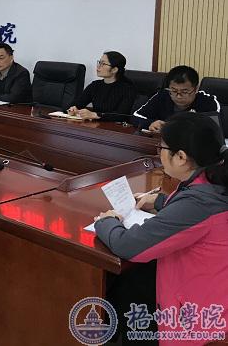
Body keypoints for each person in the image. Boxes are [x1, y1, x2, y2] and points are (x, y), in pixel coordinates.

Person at [94, 113, 228, 343]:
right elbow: (193, 215)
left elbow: (128, 246)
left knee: (129, 288)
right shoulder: (214, 180)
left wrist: (106, 222)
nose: (159, 154)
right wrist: (159, 201)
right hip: (210, 288)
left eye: (162, 148)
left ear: (181, 157)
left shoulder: (199, 202)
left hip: (196, 315)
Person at [133, 65, 220, 132]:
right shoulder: (162, 96)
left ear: (196, 89)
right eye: (174, 91)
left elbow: (214, 131)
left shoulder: (208, 102)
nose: (178, 96)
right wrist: (150, 124)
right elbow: (136, 117)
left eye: (184, 92)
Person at [67, 51, 138, 120]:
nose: (98, 66)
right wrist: (73, 109)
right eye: (99, 62)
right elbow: (78, 104)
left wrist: (95, 115)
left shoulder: (128, 89)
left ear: (114, 70)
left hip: (115, 127)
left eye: (103, 64)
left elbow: (122, 115)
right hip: (96, 125)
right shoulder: (95, 85)